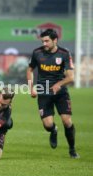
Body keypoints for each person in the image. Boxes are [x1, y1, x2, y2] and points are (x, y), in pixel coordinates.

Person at [26, 28, 79, 158]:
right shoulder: (37, 53)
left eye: (47, 41)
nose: (44, 44)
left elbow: (71, 77)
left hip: (60, 93)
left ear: (55, 40)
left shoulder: (64, 54)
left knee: (67, 121)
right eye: (42, 41)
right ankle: (53, 130)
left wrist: (59, 84)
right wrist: (31, 87)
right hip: (43, 92)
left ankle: (72, 149)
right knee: (48, 125)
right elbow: (30, 70)